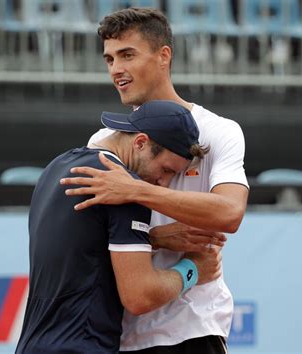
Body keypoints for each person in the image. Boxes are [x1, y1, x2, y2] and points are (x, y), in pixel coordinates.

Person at [59, 7, 249, 354]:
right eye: (109, 59)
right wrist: (157, 238)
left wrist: (135, 189)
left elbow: (230, 213)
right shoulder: (101, 143)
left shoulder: (220, 130)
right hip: (122, 333)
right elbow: (86, 246)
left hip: (193, 329)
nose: (116, 69)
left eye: (127, 55)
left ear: (164, 56)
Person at [15, 100, 223, 354]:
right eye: (166, 170)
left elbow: (81, 246)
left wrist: (153, 239)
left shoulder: (54, 168)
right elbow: (139, 296)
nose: (163, 184)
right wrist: (193, 269)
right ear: (140, 143)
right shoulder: (123, 188)